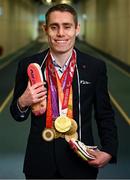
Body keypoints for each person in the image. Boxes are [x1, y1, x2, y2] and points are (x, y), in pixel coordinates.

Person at [10, 3, 118, 179]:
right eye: (54, 27)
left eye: (67, 27)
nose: (60, 33)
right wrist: (23, 102)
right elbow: (16, 114)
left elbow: (104, 113)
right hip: (40, 163)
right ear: (46, 29)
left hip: (81, 161)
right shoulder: (29, 66)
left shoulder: (94, 67)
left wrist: (109, 150)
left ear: (77, 29)